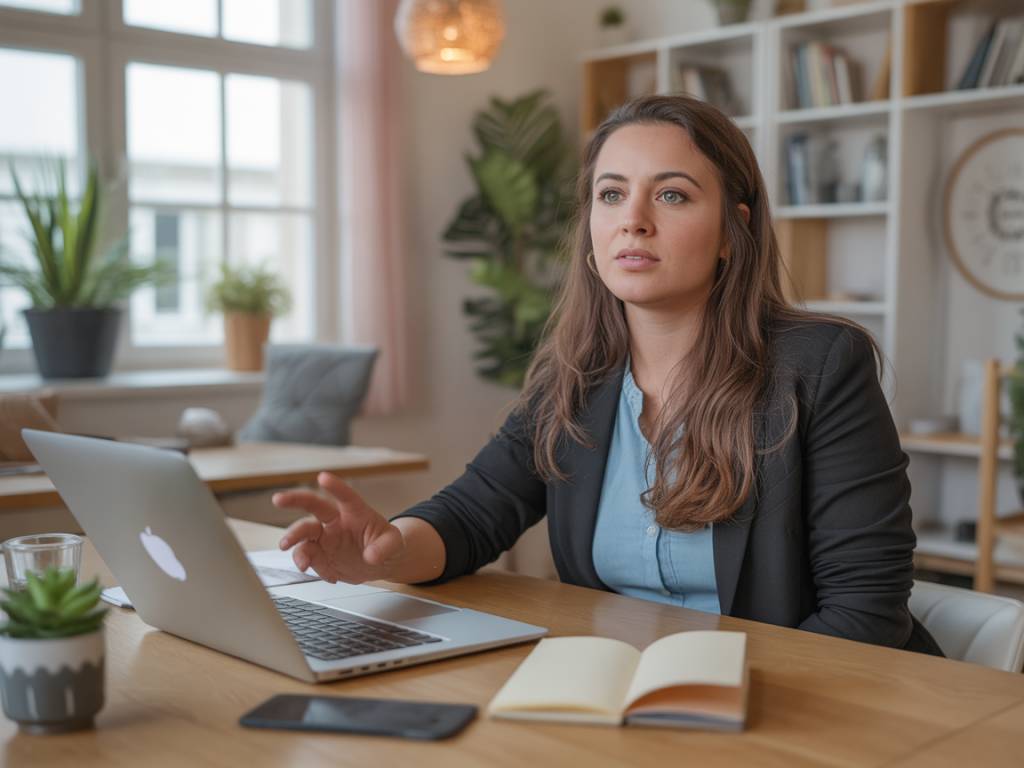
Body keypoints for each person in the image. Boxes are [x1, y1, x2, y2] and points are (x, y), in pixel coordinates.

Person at [273, 95, 942, 655]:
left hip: (807, 705)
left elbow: (863, 613)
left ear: (732, 231)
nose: (634, 221)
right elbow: (474, 513)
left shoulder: (820, 366)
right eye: (612, 194)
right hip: (625, 692)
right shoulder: (573, 381)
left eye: (672, 195)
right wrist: (383, 555)